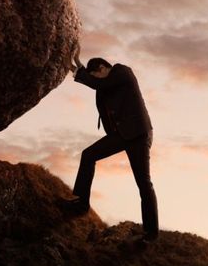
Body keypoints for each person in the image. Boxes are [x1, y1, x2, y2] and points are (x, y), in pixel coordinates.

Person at [62, 49, 159, 243]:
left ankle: (151, 233)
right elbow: (97, 83)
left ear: (103, 67)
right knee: (88, 155)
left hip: (138, 134)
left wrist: (77, 67)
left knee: (143, 183)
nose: (96, 81)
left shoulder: (122, 72)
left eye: (95, 74)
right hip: (121, 135)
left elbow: (99, 83)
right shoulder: (104, 83)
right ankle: (81, 203)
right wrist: (77, 68)